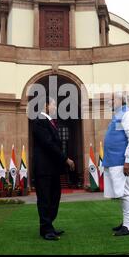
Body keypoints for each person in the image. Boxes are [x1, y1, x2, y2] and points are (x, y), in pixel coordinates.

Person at [32, 96, 76, 241]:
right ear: (45, 106)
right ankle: (46, 229)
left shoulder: (50, 122)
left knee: (54, 198)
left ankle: (48, 225)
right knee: (45, 199)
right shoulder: (39, 121)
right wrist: (65, 159)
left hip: (53, 169)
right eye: (53, 105)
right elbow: (49, 144)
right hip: (43, 169)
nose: (56, 107)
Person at [102, 92, 129, 236]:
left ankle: (128, 225)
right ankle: (126, 222)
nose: (109, 103)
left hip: (122, 162)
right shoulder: (118, 115)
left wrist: (128, 161)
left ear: (120, 100)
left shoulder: (127, 114)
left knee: (125, 193)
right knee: (123, 194)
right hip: (115, 161)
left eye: (112, 100)